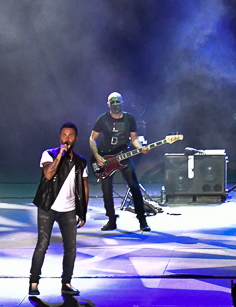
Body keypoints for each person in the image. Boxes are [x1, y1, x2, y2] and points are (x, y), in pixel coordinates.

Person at [30, 122, 88, 296]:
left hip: (69, 209)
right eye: (64, 135)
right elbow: (49, 175)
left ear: (76, 139)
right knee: (42, 244)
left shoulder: (81, 162)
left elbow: (84, 188)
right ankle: (33, 282)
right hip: (48, 207)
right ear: (60, 137)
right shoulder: (48, 154)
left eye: (71, 136)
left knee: (71, 248)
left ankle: (66, 283)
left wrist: (82, 211)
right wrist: (60, 156)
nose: (67, 139)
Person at [90, 92, 149, 232]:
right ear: (108, 104)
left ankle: (142, 220)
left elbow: (134, 139)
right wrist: (97, 156)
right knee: (106, 191)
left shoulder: (129, 119)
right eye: (112, 102)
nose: (115, 104)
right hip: (105, 158)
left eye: (117, 101)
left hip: (123, 156)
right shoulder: (102, 119)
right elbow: (92, 138)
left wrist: (141, 148)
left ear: (122, 103)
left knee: (134, 187)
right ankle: (111, 220)